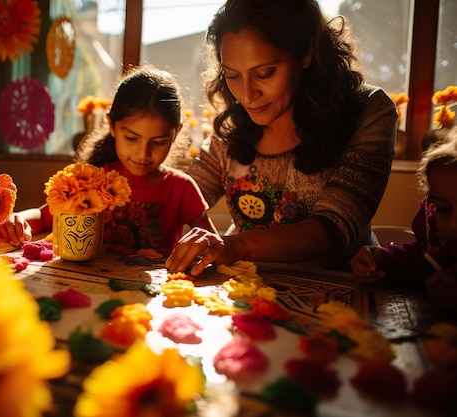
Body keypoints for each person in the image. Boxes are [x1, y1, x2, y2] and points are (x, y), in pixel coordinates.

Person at [164, 0, 397, 276]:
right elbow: (183, 197)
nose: (248, 95)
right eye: (233, 75)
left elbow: (334, 227)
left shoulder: (368, 111)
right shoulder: (231, 128)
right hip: (246, 290)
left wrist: (235, 246)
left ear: (306, 53)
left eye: (264, 73)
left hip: (340, 290)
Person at [0, 65, 216, 255]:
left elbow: (212, 243)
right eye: (131, 138)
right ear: (111, 125)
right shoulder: (90, 179)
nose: (142, 154)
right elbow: (43, 216)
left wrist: (207, 245)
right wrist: (18, 220)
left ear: (175, 134)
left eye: (157, 142)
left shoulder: (182, 188)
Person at [350, 128, 457, 313]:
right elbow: (423, 259)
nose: (454, 224)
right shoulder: (440, 241)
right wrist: (384, 259)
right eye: (443, 209)